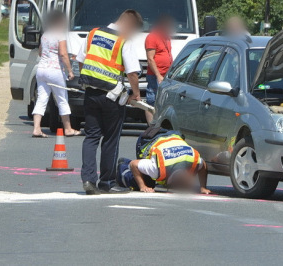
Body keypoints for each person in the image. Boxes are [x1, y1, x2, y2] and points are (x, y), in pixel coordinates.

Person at [77, 10, 143, 195]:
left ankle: (89, 181)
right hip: (111, 97)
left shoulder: (94, 33)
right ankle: (107, 182)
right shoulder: (123, 40)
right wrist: (136, 94)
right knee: (111, 139)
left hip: (91, 92)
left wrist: (88, 80)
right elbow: (132, 73)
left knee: (91, 137)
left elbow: (81, 60)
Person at [116, 127, 211, 194]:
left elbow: (204, 166)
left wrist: (203, 187)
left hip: (173, 135)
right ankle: (123, 165)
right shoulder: (158, 169)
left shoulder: (194, 163)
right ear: (173, 184)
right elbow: (134, 164)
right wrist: (143, 187)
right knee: (147, 182)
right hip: (148, 139)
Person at [31, 10, 80, 138]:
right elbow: (63, 54)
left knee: (42, 99)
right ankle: (68, 129)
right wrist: (70, 71)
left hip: (41, 69)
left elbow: (40, 52)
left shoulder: (45, 35)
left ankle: (36, 128)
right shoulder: (60, 34)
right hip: (55, 70)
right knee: (62, 99)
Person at [144, 15, 175, 124]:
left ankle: (160, 126)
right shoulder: (152, 37)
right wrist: (158, 75)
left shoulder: (166, 37)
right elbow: (150, 59)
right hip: (155, 75)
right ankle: (151, 127)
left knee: (163, 102)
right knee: (152, 101)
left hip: (166, 75)